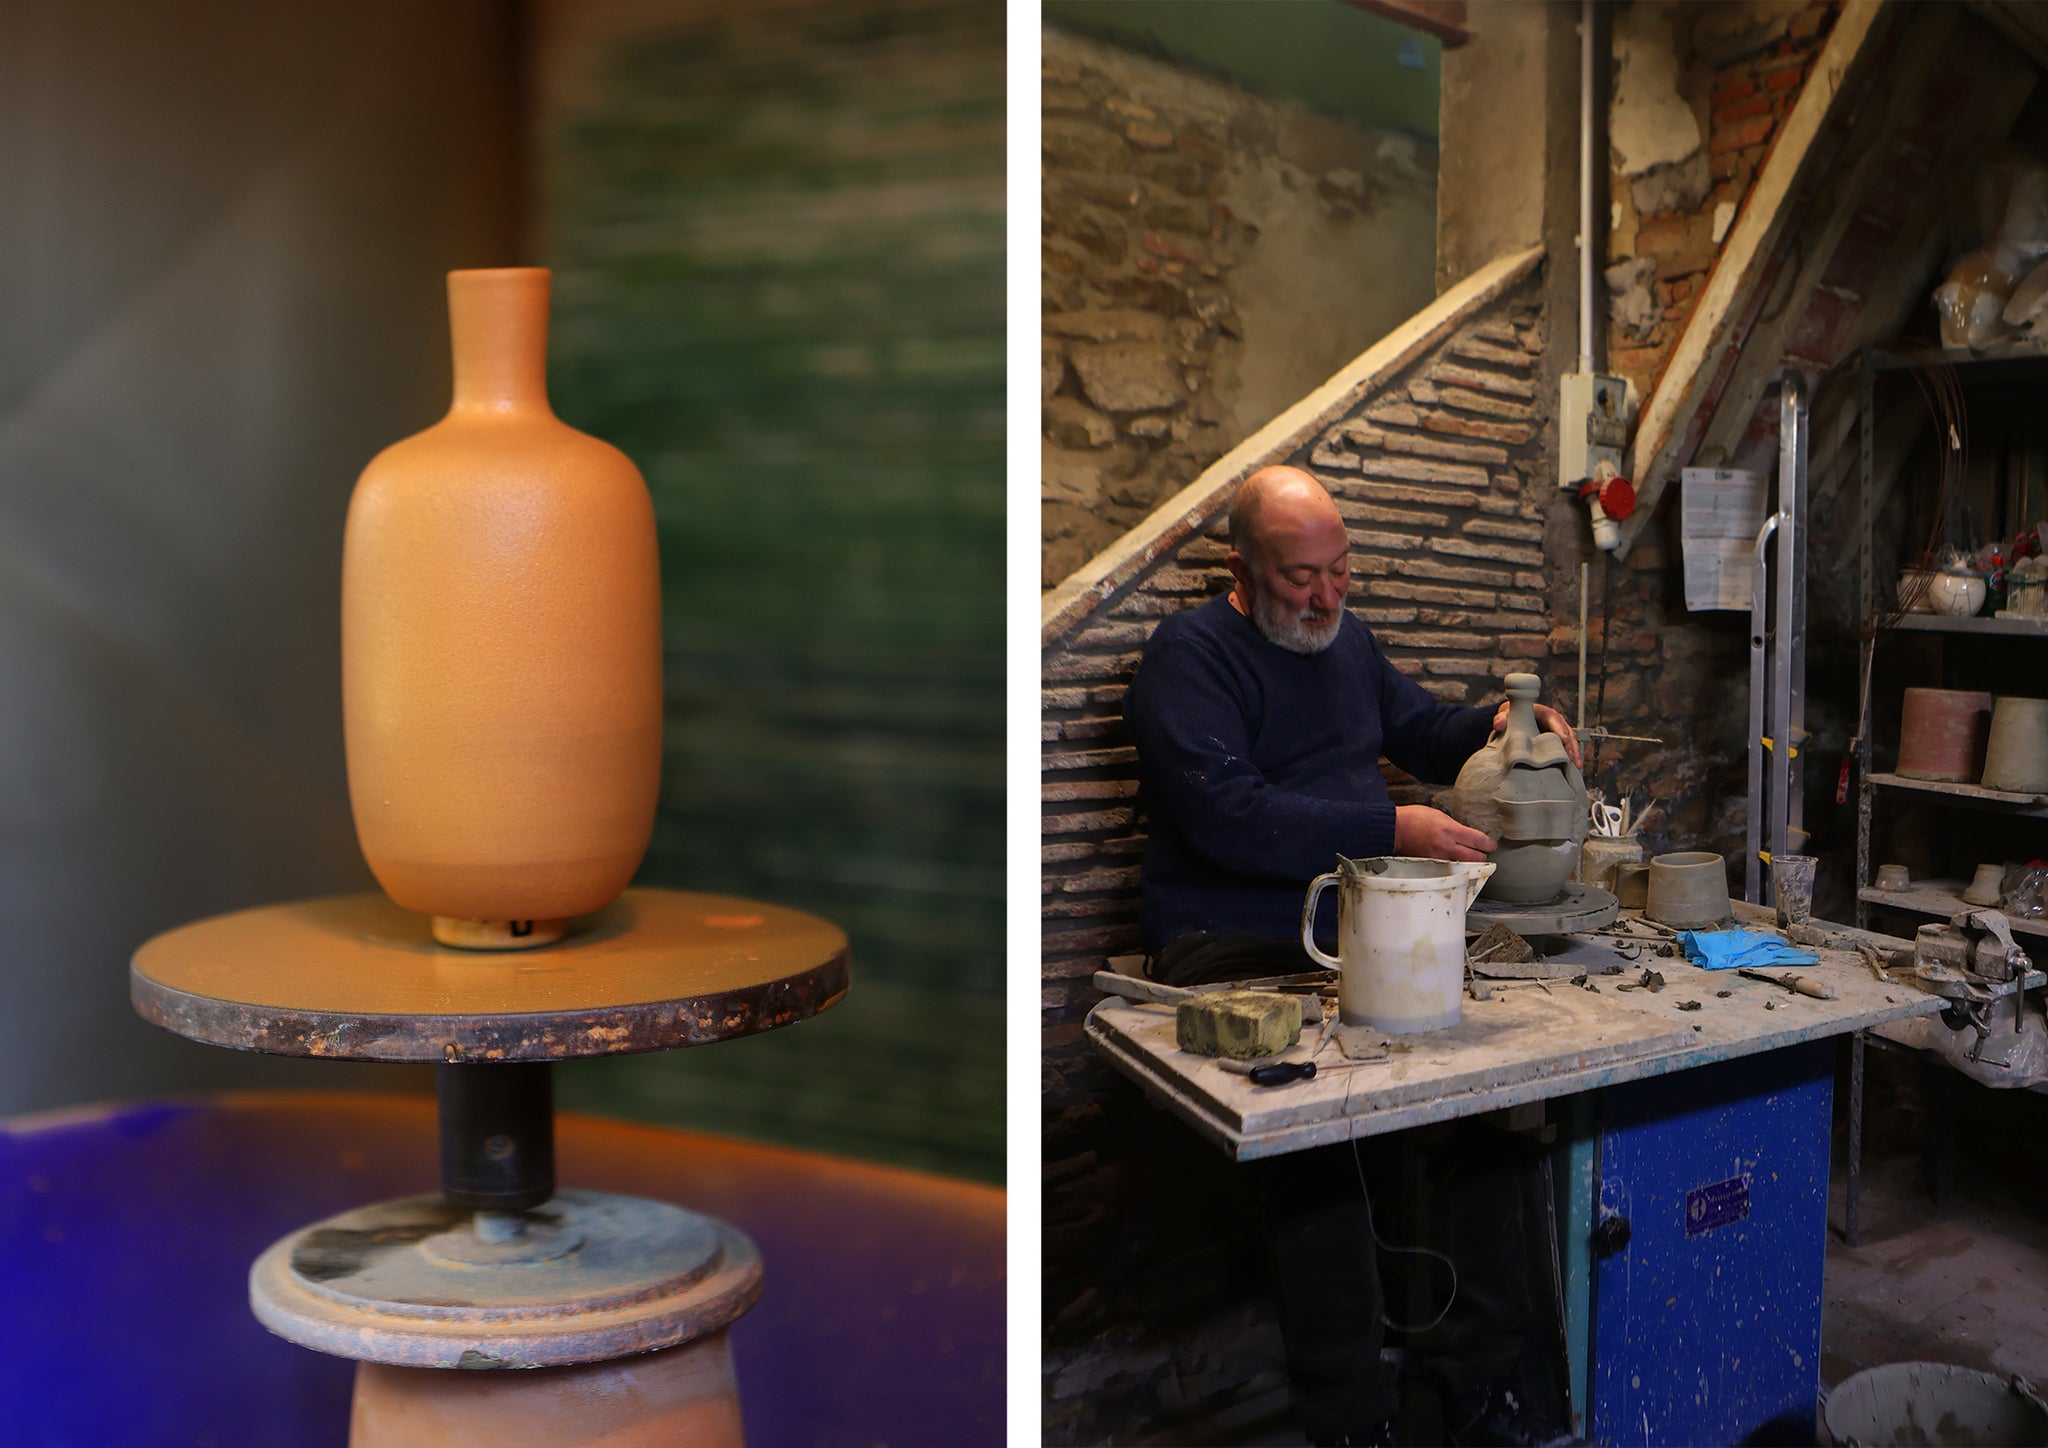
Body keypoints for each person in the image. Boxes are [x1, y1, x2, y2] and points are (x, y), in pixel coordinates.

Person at [1121, 465, 1581, 1445]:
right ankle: (1348, 1418)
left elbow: (1420, 725)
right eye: (1300, 578)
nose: (1325, 597)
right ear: (1238, 567)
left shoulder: (1345, 639)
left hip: (1356, 929)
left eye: (1340, 572)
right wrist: (1391, 824)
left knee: (1488, 1110)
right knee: (1314, 1146)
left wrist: (1505, 726)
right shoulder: (1188, 656)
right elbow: (1223, 816)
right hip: (1228, 940)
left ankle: (1481, 1383)